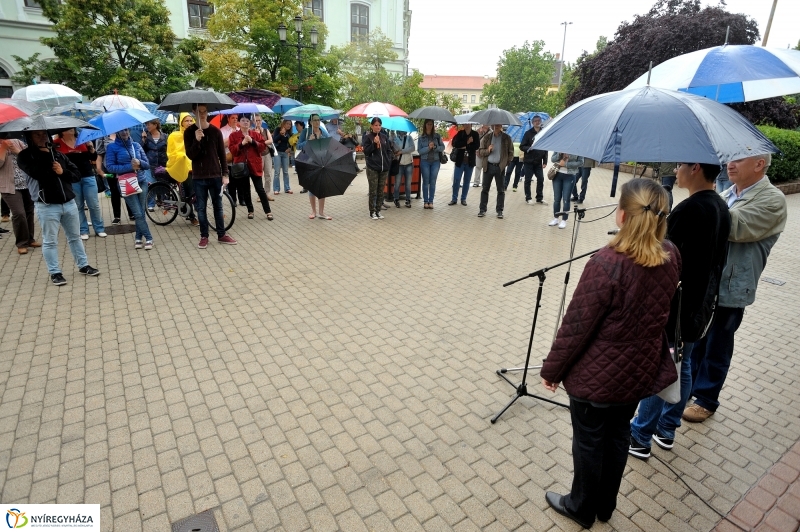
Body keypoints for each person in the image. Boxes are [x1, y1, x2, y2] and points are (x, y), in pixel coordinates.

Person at [541, 178, 680, 529]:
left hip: (596, 377)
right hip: (637, 373)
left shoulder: (606, 263)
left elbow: (576, 328)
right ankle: (605, 505)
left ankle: (581, 507)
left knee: (589, 442)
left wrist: (551, 370)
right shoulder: (671, 256)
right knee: (618, 435)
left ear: (621, 215)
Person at [628, 162, 731, 460]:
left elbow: (663, 255)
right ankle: (667, 428)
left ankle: (639, 434)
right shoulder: (720, 208)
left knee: (663, 364)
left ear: (696, 168)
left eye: (681, 164)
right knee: (681, 364)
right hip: (699, 303)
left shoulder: (691, 209)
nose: (677, 168)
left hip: (678, 301)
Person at [682, 153, 787, 423]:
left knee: (717, 345)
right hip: (709, 280)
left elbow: (733, 226)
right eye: (730, 158)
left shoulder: (772, 199)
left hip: (732, 286)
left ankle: (706, 399)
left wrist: (701, 200)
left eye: (739, 159)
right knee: (696, 340)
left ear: (759, 164)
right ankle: (689, 390)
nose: (730, 164)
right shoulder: (727, 192)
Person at [18, 130, 101, 285]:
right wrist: (46, 157)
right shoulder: (25, 156)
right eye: (37, 135)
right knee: (50, 241)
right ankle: (55, 272)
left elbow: (76, 174)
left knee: (75, 237)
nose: (42, 137)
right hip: (47, 205)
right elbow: (37, 173)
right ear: (29, 137)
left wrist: (62, 172)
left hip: (68, 202)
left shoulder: (58, 154)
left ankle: (83, 265)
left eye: (44, 134)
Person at [184, 103, 238, 249]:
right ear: (193, 112)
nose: (202, 114)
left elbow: (222, 154)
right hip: (198, 176)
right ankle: (204, 236)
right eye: (199, 112)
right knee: (201, 208)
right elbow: (190, 155)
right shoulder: (189, 132)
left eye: (205, 111)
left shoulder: (215, 131)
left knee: (218, 206)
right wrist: (197, 140)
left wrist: (225, 174)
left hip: (215, 174)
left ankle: (221, 234)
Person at [53, 128, 107, 240]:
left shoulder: (82, 140)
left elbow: (93, 158)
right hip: (72, 178)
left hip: (88, 175)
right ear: (61, 130)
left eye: (73, 127)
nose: (71, 130)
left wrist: (91, 147)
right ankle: (83, 230)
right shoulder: (56, 143)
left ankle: (99, 228)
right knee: (78, 205)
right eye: (68, 128)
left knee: (94, 204)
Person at [105, 129, 154, 250]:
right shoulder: (112, 147)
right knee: (137, 213)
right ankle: (148, 238)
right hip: (126, 183)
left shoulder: (136, 145)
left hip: (141, 181)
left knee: (141, 212)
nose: (124, 132)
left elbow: (147, 164)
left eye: (126, 129)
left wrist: (139, 162)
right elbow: (110, 167)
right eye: (121, 130)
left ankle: (138, 237)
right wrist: (129, 166)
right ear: (116, 132)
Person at [229, 115, 273, 220]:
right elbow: (233, 151)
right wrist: (242, 143)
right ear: (239, 123)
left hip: (255, 165)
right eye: (243, 120)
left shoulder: (255, 134)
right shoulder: (233, 136)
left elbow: (262, 147)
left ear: (250, 122)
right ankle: (250, 210)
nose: (245, 122)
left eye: (247, 121)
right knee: (246, 189)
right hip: (241, 166)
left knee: (259, 189)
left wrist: (252, 141)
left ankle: (268, 211)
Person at [0, 138, 39, 254]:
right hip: (9, 186)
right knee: (19, 213)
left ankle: (30, 239)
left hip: (26, 183)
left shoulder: (18, 142)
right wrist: (3, 148)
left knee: (29, 212)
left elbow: (30, 158)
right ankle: (21, 243)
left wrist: (17, 151)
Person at [297, 114, 332, 219]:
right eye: (315, 120)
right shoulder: (306, 132)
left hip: (321, 160)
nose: (317, 122)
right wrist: (309, 141)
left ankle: (321, 212)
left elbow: (329, 142)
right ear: (310, 122)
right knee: (312, 186)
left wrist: (322, 138)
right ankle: (313, 211)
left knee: (322, 186)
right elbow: (299, 145)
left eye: (318, 120)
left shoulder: (322, 131)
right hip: (309, 161)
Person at [166, 112, 198, 226]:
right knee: (190, 191)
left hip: (195, 166)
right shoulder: (174, 136)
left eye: (191, 120)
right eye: (186, 121)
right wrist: (182, 156)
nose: (189, 123)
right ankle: (191, 216)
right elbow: (171, 153)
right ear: (181, 123)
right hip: (181, 166)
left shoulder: (197, 134)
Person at [477, 124, 514, 219]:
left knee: (501, 190)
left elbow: (511, 152)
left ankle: (500, 211)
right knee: (485, 189)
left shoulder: (506, 138)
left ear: (501, 126)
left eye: (498, 125)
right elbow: (480, 151)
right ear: (492, 126)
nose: (496, 127)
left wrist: (506, 163)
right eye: (494, 125)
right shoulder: (487, 137)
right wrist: (488, 150)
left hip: (499, 167)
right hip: (488, 166)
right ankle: (482, 210)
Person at [96, 133, 133, 224]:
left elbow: (131, 148)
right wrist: (99, 169)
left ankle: (132, 213)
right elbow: (99, 154)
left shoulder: (124, 133)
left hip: (124, 168)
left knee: (127, 190)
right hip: (110, 169)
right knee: (114, 190)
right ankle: (117, 216)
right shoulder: (102, 136)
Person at [362, 117, 393, 220]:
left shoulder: (384, 137)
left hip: (384, 167)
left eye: (379, 125)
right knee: (373, 191)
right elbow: (366, 152)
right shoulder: (368, 137)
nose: (378, 127)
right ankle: (372, 212)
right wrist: (374, 144)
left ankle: (378, 210)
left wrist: (388, 160)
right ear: (372, 126)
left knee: (381, 191)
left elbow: (389, 150)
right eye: (375, 125)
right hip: (373, 168)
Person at [519, 115, 549, 205]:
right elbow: (522, 146)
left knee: (541, 179)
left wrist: (545, 161)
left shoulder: (543, 133)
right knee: (528, 180)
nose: (537, 122)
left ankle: (539, 198)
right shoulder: (528, 133)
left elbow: (545, 148)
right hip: (529, 161)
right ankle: (528, 197)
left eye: (539, 120)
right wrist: (529, 148)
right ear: (532, 123)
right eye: (535, 121)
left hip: (538, 161)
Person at [548, 152, 583, 229]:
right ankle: (556, 218)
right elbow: (552, 159)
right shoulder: (561, 145)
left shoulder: (578, 148)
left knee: (566, 199)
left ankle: (564, 220)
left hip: (569, 176)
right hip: (557, 174)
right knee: (557, 198)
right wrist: (559, 154)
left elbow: (581, 162)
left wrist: (566, 165)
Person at [449, 123, 480, 206]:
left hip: (470, 162)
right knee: (456, 179)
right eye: (465, 124)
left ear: (471, 125)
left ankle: (463, 199)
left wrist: (466, 146)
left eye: (468, 124)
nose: (466, 125)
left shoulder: (475, 134)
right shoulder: (460, 133)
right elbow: (455, 144)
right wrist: (467, 142)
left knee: (467, 180)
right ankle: (454, 198)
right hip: (460, 161)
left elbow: (477, 146)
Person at [417, 119, 445, 209]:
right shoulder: (421, 137)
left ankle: (431, 201)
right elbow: (420, 151)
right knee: (426, 181)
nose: (429, 126)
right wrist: (428, 148)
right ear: (425, 125)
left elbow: (442, 147)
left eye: (431, 124)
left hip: (435, 161)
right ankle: (425, 201)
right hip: (425, 161)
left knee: (432, 182)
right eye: (428, 124)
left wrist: (435, 147)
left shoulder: (437, 136)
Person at [252, 114, 275, 201]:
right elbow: (253, 143)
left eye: (259, 120)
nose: (258, 122)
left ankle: (267, 193)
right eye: (256, 120)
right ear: (254, 122)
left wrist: (261, 142)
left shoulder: (265, 130)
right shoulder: (252, 131)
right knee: (259, 175)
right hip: (258, 155)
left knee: (268, 174)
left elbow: (271, 140)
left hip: (267, 154)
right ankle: (260, 195)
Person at [392, 130, 415, 208]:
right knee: (397, 183)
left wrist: (402, 151)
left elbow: (412, 148)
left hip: (409, 163)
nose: (402, 131)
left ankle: (408, 200)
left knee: (408, 184)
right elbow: (395, 150)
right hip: (399, 164)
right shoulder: (395, 138)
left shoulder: (409, 138)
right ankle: (396, 199)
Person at [272, 120, 293, 194]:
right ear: (283, 124)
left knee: (286, 171)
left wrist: (290, 149)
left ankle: (287, 188)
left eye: (290, 124)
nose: (288, 125)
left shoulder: (289, 133)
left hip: (285, 153)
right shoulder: (278, 129)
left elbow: (291, 143)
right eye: (287, 124)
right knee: (277, 171)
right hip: (277, 152)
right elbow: (274, 140)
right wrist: (281, 134)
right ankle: (276, 189)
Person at [289, 121, 304, 191]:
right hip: (297, 154)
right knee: (300, 172)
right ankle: (304, 186)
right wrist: (295, 140)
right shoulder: (295, 135)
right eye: (295, 126)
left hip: (305, 154)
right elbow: (290, 141)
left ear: (301, 126)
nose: (296, 128)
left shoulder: (306, 133)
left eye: (297, 126)